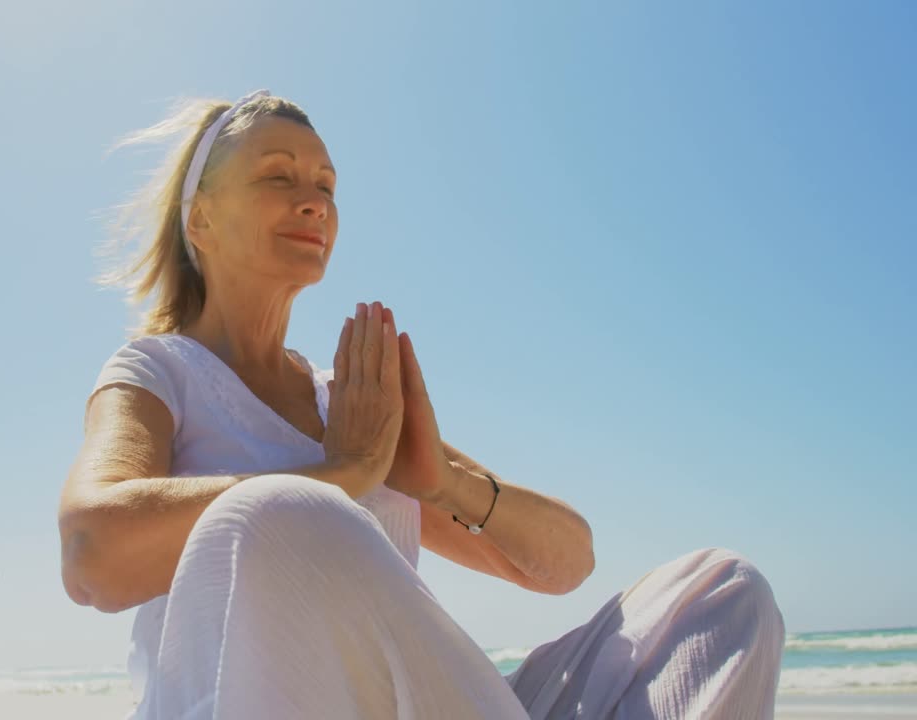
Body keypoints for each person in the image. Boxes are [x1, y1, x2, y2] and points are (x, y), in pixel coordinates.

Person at [58, 89, 786, 719]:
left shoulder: (349, 399)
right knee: (275, 515)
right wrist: (343, 475)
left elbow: (569, 562)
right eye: (278, 176)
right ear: (200, 220)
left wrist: (440, 480)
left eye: (327, 185)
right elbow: (92, 554)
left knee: (723, 591)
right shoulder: (158, 370)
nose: (314, 201)